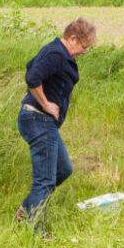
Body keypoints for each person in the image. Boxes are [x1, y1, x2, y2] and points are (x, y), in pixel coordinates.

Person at [17, 17, 96, 221]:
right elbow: (32, 77)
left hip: (44, 122)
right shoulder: (56, 54)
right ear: (72, 38)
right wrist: (45, 103)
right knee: (45, 180)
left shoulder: (55, 52)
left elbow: (30, 66)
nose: (85, 52)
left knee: (63, 170)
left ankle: (25, 211)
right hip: (38, 119)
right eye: (84, 47)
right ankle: (36, 231)